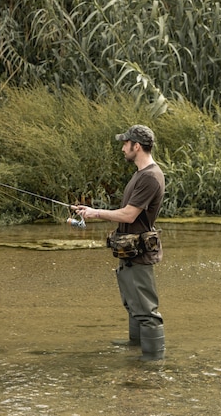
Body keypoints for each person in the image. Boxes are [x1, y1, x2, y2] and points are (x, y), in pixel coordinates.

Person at [72, 124, 166, 362]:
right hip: (129, 251)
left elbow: (128, 215)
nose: (123, 148)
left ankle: (153, 365)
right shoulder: (139, 175)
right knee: (133, 306)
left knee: (147, 312)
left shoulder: (150, 177)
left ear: (137, 146)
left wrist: (95, 213)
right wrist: (90, 211)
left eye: (125, 144)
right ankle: (136, 349)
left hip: (140, 254)